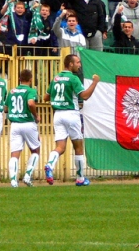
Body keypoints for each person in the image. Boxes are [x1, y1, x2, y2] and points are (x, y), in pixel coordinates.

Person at [43, 54, 99, 186]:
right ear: (70, 64)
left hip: (58, 115)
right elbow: (84, 96)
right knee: (78, 147)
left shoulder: (55, 78)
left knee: (60, 147)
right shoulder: (73, 79)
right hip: (71, 114)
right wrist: (95, 83)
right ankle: (80, 179)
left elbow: (46, 97)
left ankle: (50, 165)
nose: (79, 65)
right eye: (77, 62)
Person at [5, 69, 41, 187]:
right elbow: (31, 103)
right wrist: (36, 116)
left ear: (19, 79)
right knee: (35, 151)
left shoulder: (12, 91)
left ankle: (13, 181)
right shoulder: (31, 91)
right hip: (28, 123)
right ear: (31, 79)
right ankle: (27, 176)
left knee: (15, 154)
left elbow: (5, 108)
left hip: (15, 124)